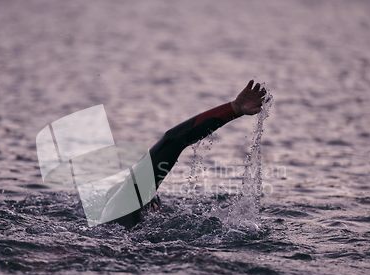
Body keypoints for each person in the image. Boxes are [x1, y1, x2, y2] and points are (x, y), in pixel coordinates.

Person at [107, 80, 268, 229]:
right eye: (156, 205)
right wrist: (234, 108)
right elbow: (173, 140)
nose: (160, 211)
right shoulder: (129, 197)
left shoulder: (108, 219)